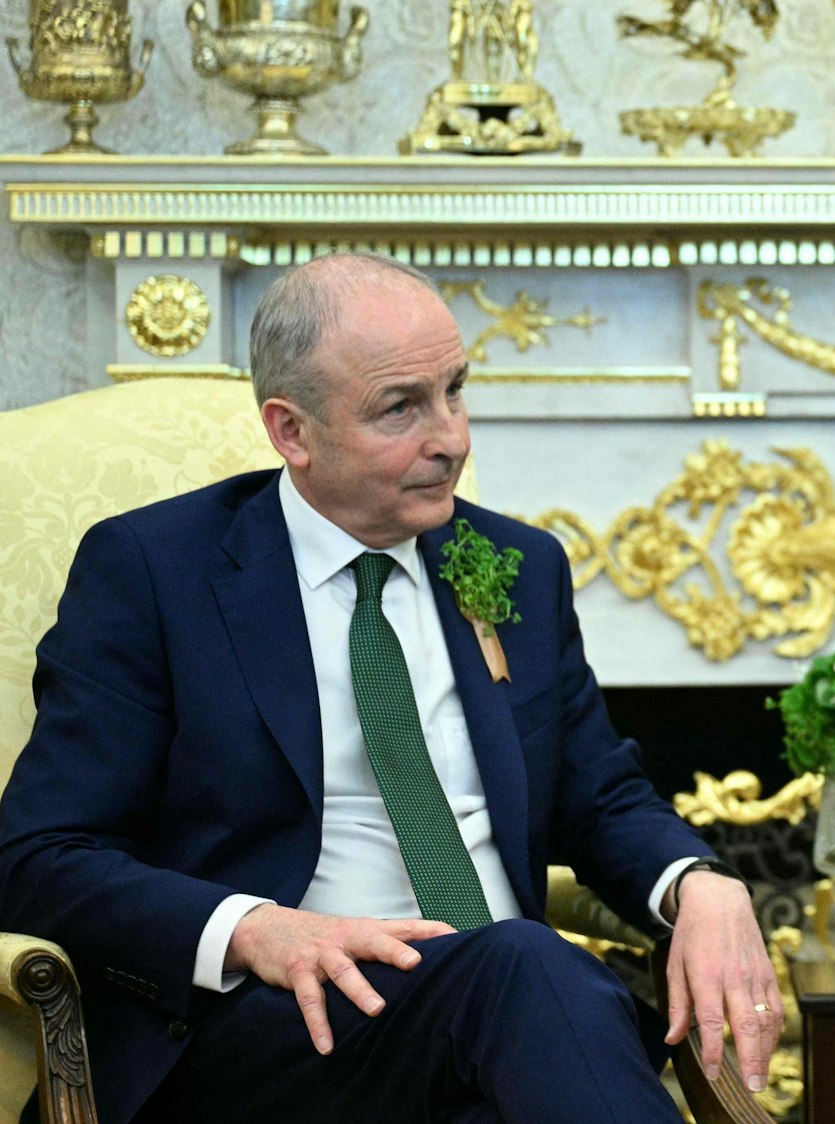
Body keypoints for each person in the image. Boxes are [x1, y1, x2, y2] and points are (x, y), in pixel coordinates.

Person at [0, 253, 782, 1123]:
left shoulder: (518, 566)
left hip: (495, 1025)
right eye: (400, 408)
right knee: (527, 967)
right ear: (292, 432)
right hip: (268, 1033)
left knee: (517, 1022)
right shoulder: (156, 571)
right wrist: (255, 928)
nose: (450, 437)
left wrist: (698, 883)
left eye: (455, 389)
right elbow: (39, 858)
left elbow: (600, 798)